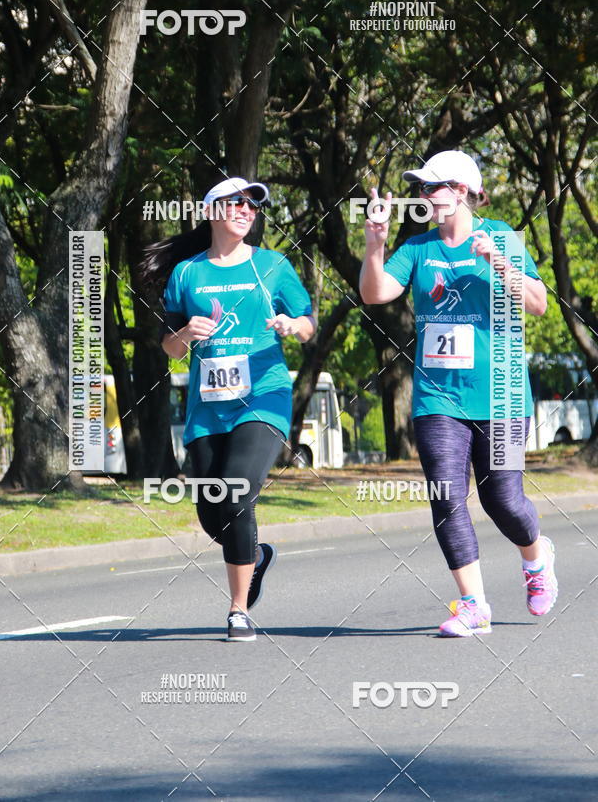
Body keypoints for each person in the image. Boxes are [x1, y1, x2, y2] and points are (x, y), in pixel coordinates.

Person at [359, 150, 557, 637]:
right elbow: (375, 292)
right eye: (421, 188)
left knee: (503, 502)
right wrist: (374, 244)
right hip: (437, 397)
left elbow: (540, 305)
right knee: (446, 497)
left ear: (462, 191)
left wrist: (500, 265)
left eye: (432, 188)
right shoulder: (419, 247)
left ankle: (536, 556)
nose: (424, 196)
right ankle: (473, 605)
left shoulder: (502, 237)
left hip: (504, 395)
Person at [143, 177, 316, 641]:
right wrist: (186, 334)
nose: (245, 209)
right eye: (235, 202)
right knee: (211, 511)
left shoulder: (272, 266)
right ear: (211, 211)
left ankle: (238, 609)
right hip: (208, 407)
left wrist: (291, 324)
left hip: (263, 397)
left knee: (236, 491)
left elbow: (308, 323)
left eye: (252, 205)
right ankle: (255, 556)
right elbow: (169, 348)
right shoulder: (187, 273)